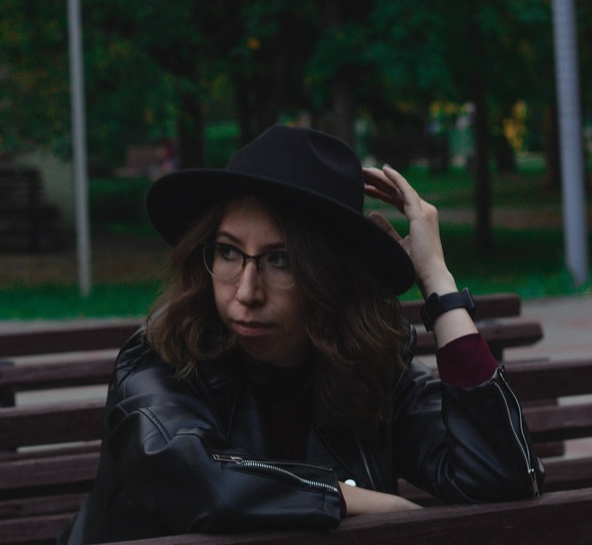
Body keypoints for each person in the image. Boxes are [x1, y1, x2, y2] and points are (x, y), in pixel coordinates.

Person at [59, 125, 544, 544]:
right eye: (228, 252)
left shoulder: (370, 369)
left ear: (332, 277)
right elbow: (203, 481)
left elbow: (499, 478)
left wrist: (437, 282)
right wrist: (356, 501)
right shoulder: (159, 361)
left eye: (280, 260)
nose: (246, 291)